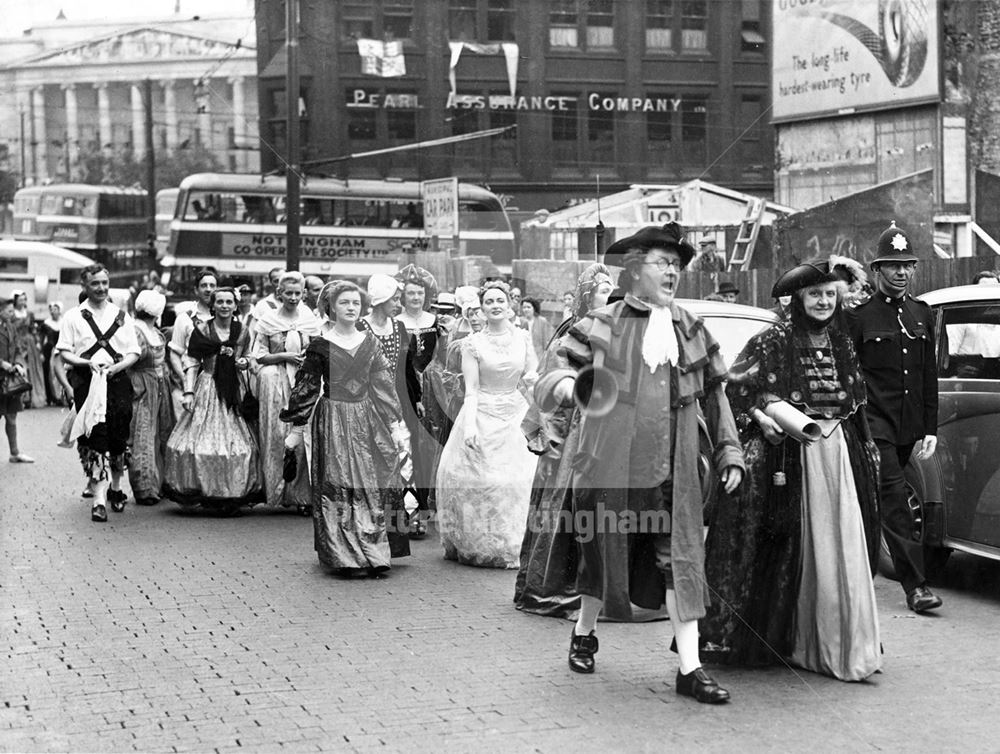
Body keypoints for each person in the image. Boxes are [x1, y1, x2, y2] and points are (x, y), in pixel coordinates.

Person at [533, 223, 744, 704]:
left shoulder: (691, 327)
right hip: (610, 467)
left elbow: (717, 396)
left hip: (677, 468)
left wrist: (729, 449)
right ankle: (585, 633)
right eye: (662, 263)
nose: (672, 272)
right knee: (600, 558)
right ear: (633, 270)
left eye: (677, 265)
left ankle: (690, 669)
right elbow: (553, 376)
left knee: (681, 563)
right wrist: (574, 386)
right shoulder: (600, 324)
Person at [701, 255, 882, 681]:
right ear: (798, 299)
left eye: (829, 294)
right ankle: (794, 640)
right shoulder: (772, 339)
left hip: (838, 455)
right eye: (814, 294)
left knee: (843, 550)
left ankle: (842, 644)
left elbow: (855, 405)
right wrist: (763, 415)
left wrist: (866, 451)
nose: (823, 302)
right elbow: (736, 389)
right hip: (789, 458)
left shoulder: (842, 342)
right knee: (791, 548)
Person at [281, 281, 410, 576]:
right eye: (344, 303)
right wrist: (296, 430)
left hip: (366, 419)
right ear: (331, 308)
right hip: (333, 419)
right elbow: (307, 388)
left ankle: (374, 552)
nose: (351, 308)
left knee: (369, 484)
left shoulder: (370, 343)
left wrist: (395, 425)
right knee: (337, 485)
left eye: (355, 303)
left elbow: (383, 387)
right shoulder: (319, 346)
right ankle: (343, 554)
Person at [515, 264, 621, 619]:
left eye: (612, 289)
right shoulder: (567, 338)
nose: (611, 295)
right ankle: (564, 586)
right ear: (588, 297)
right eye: (603, 290)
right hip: (576, 434)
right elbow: (551, 391)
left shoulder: (622, 333)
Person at [847, 222, 941, 614]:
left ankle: (856, 574)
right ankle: (916, 586)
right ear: (876, 271)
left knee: (879, 503)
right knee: (894, 497)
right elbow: (851, 378)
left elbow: (927, 376)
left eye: (908, 266)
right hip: (875, 425)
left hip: (907, 427)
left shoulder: (921, 314)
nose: (901, 273)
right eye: (892, 266)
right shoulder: (859, 318)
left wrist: (929, 429)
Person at [435, 281, 539, 568]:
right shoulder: (473, 344)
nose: (495, 305)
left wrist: (538, 410)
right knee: (482, 479)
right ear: (481, 308)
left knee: (519, 480)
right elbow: (472, 389)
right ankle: (480, 541)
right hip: (483, 411)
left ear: (509, 305)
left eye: (500, 300)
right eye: (489, 302)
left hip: (516, 412)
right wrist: (469, 426)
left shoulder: (523, 337)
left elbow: (531, 376)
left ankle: (515, 542)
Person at [163, 288, 263, 512]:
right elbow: (191, 360)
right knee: (198, 444)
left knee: (241, 446)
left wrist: (244, 363)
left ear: (235, 306)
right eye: (221, 302)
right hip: (208, 386)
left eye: (229, 302)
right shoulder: (202, 330)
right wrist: (188, 391)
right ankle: (203, 489)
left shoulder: (243, 331)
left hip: (233, 389)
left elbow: (249, 355)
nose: (225, 306)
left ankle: (230, 492)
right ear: (213, 305)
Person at [56, 265, 140, 522]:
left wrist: (117, 367)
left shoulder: (122, 316)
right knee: (96, 437)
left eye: (105, 282)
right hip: (87, 382)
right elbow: (64, 352)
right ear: (85, 286)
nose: (102, 288)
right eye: (95, 284)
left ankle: (116, 488)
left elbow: (133, 352)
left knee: (118, 436)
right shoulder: (73, 316)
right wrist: (86, 363)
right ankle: (99, 499)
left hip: (117, 382)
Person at [252, 271, 320, 512]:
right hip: (276, 382)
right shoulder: (268, 320)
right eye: (288, 293)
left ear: (303, 294)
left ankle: (301, 495)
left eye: (297, 293)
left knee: (301, 435)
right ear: (279, 293)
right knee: (277, 436)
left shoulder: (309, 319)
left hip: (303, 383)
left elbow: (318, 349)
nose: (293, 297)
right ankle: (277, 491)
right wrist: (283, 356)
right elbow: (258, 355)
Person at [358, 274, 419, 539]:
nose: (398, 303)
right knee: (371, 461)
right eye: (394, 298)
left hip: (396, 405)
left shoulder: (400, 328)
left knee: (402, 459)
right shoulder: (360, 327)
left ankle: (407, 518)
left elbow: (406, 369)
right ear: (380, 300)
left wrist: (415, 399)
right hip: (367, 404)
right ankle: (370, 523)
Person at [394, 264, 440, 528]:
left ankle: (424, 506)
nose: (415, 298)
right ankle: (408, 508)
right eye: (411, 294)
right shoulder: (396, 323)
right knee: (407, 448)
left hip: (431, 388)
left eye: (419, 294)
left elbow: (438, 356)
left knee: (426, 448)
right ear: (403, 296)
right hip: (405, 390)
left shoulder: (433, 322)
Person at [127, 290, 175, 507]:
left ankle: (159, 482)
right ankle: (144, 487)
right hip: (142, 386)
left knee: (161, 433)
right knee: (143, 433)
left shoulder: (153, 330)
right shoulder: (135, 330)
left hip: (160, 384)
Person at [169, 269, 217, 417]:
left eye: (212, 285)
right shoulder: (185, 319)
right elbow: (175, 353)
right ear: (196, 290)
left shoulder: (227, 317)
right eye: (204, 285)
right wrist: (185, 379)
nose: (208, 289)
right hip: (193, 380)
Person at [1, 298, 33, 463]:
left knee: (12, 417)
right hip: (2, 377)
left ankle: (15, 453)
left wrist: (19, 364)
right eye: (9, 311)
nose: (12, 314)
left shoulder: (11, 327)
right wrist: (3, 364)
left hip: (10, 381)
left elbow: (19, 349)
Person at [11, 291, 47, 409]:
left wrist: (38, 346)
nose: (23, 302)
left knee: (33, 370)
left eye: (24, 299)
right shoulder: (12, 314)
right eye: (20, 299)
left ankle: (32, 398)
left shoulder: (29, 314)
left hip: (30, 343)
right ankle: (21, 398)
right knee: (21, 368)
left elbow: (34, 330)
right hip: (17, 343)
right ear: (15, 301)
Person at [39, 302, 64, 405]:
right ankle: (50, 397)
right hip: (49, 350)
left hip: (61, 350)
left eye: (55, 309)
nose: (52, 311)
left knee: (60, 372)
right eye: (51, 309)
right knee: (48, 372)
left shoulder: (64, 322)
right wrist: (40, 351)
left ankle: (60, 397)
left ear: (59, 311)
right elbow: (41, 339)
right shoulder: (46, 324)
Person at [520, 297, 555, 363]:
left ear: (534, 308)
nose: (526, 309)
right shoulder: (520, 321)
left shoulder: (542, 321)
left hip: (537, 355)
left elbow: (545, 340)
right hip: (523, 356)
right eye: (524, 307)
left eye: (528, 307)